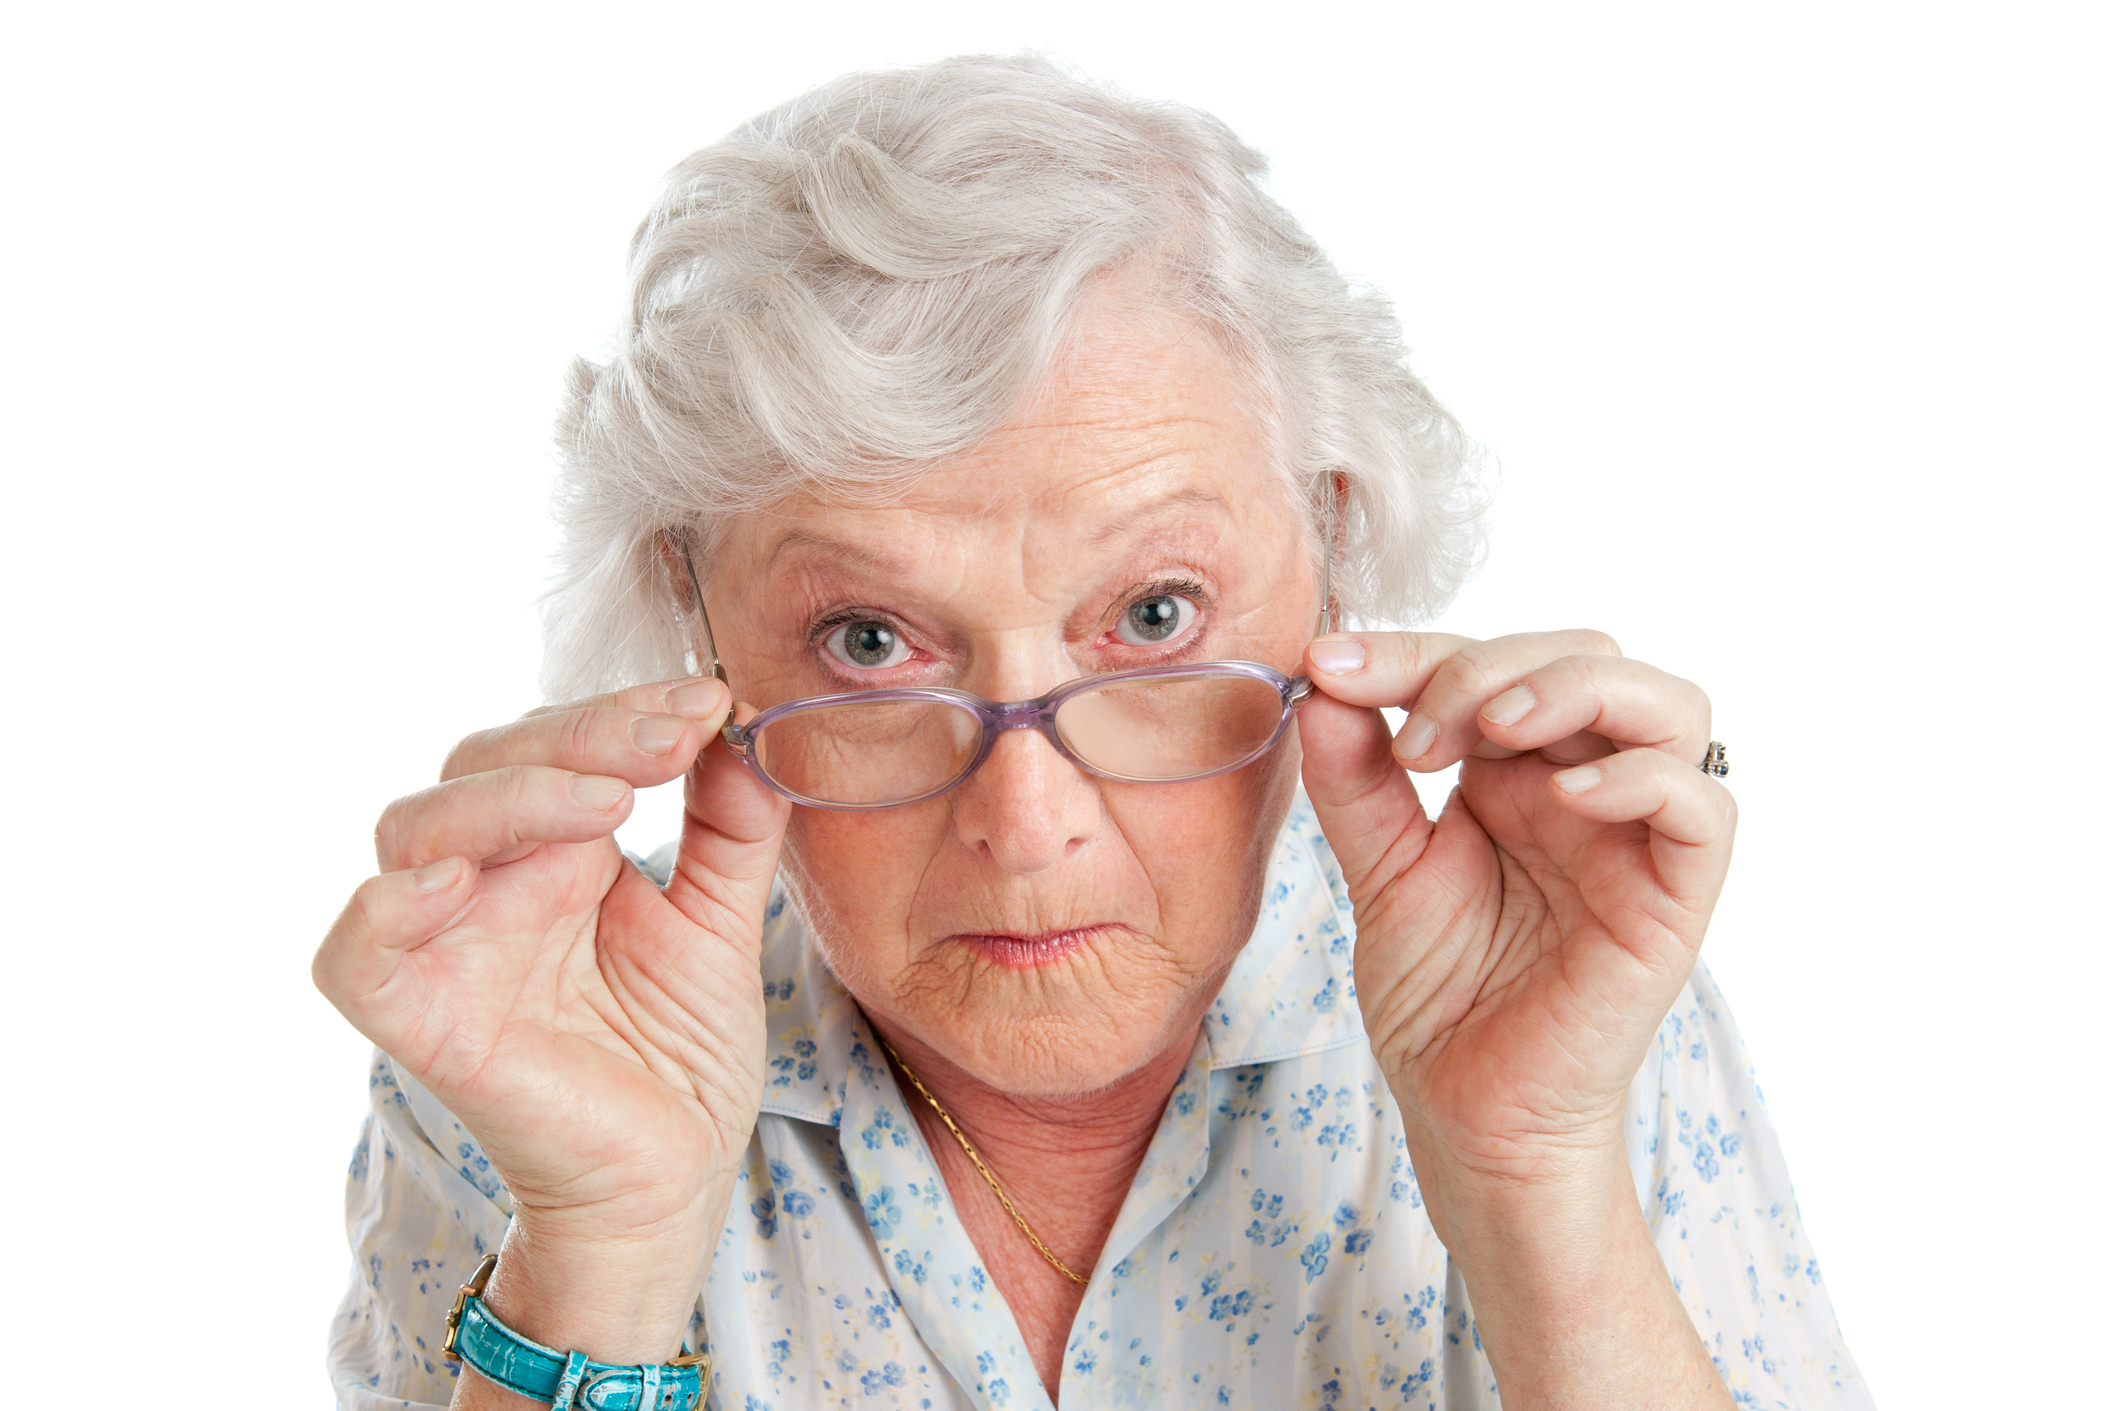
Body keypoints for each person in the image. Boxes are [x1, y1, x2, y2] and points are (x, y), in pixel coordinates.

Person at [316, 55, 1870, 1411]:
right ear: (695, 619)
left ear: (1329, 548)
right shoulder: (540, 1045)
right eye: (869, 641)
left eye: (1150, 616)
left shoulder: (1566, 1003)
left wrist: (1536, 1181)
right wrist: (600, 1256)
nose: (1026, 818)